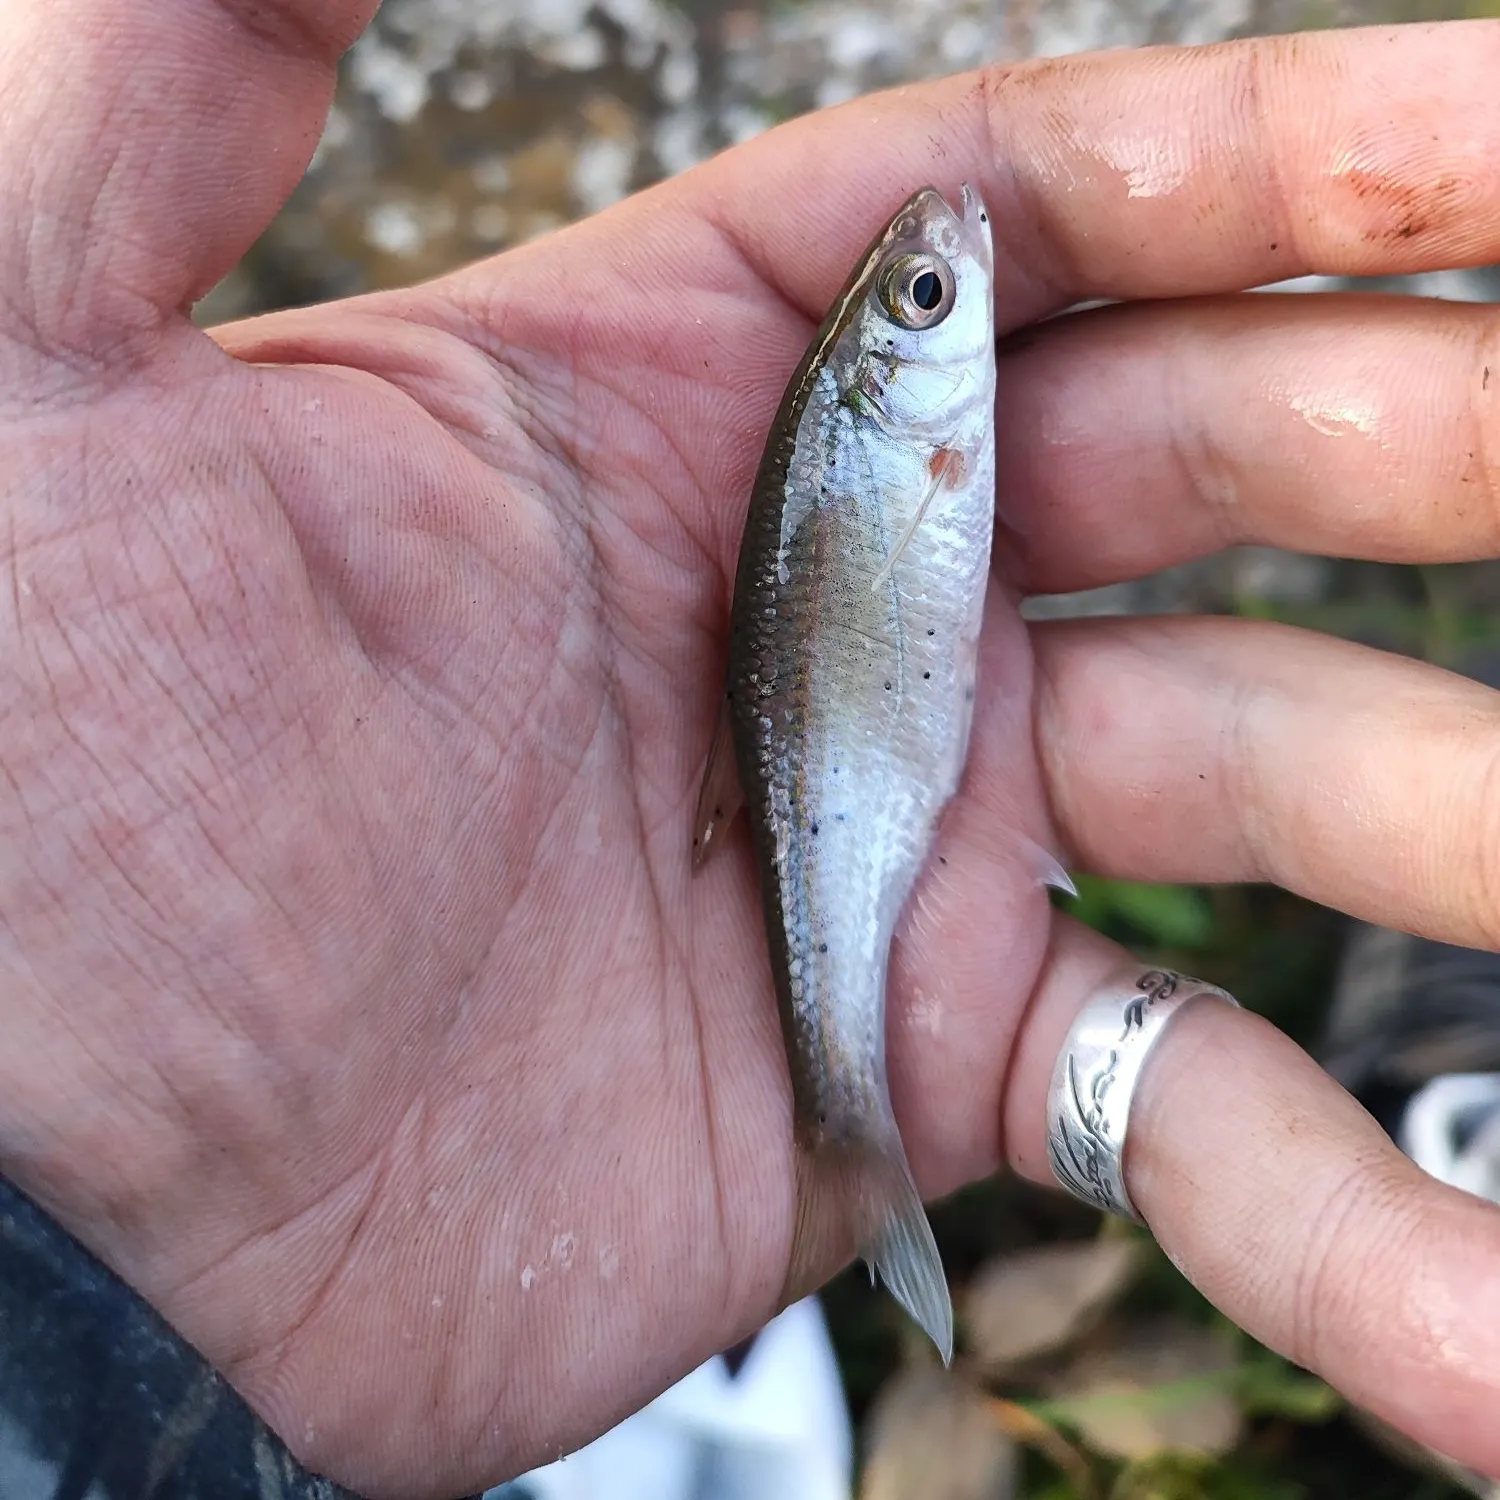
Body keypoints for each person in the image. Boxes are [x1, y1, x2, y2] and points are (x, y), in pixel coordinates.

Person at [4, 4, 1500, 1496]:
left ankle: (859, 1170)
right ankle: (853, 1156)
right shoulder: (900, 429)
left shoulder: (907, 430)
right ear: (897, 378)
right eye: (927, 295)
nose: (952, 270)